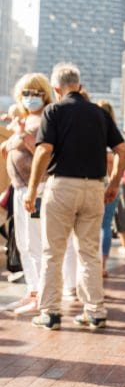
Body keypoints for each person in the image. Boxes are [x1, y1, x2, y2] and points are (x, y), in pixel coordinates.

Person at [24, 63, 125, 330]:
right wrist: (114, 183)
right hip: (94, 188)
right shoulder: (99, 113)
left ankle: (50, 313)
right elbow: (122, 151)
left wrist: (33, 188)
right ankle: (95, 311)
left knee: (52, 253)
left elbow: (44, 150)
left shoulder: (53, 111)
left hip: (62, 187)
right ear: (79, 86)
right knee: (89, 253)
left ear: (56, 88)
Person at [1, 72, 79, 315]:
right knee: (24, 244)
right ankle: (33, 290)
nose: (30, 98)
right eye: (25, 93)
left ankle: (42, 294)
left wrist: (22, 135)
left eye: (35, 93)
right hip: (20, 188)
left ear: (45, 94)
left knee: (37, 243)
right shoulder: (25, 119)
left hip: (38, 189)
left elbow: (44, 152)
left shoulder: (47, 117)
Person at [96, 100, 121, 278]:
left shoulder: (97, 134)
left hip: (99, 183)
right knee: (106, 225)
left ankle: (97, 265)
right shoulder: (115, 135)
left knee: (96, 226)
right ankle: (102, 265)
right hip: (113, 184)